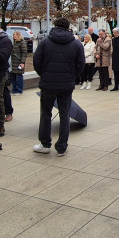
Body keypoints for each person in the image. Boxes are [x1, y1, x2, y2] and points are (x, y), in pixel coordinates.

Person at [32, 17, 85, 157]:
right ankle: (62, 147)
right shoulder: (76, 43)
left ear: (55, 25)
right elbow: (80, 65)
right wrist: (72, 77)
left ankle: (44, 144)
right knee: (64, 114)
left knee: (45, 114)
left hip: (48, 83)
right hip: (66, 84)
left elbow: (37, 61)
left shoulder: (45, 42)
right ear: (68, 27)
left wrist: (44, 75)